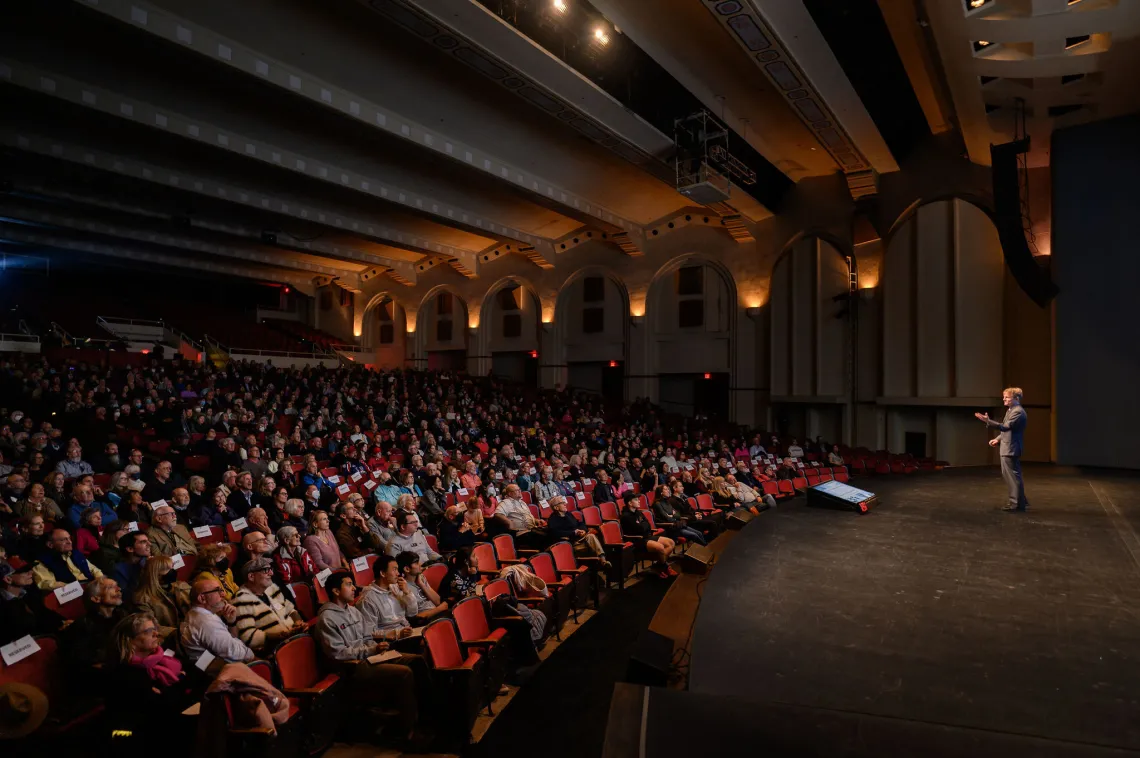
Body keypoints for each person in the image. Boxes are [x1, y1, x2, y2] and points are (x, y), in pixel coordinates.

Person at [312, 571, 425, 747]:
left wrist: (378, 646)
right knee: (404, 674)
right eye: (348, 584)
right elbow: (338, 653)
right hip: (352, 667)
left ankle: (427, 719)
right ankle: (407, 733)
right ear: (335, 591)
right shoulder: (327, 618)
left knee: (417, 661)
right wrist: (371, 649)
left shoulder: (352, 610)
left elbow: (366, 636)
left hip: (370, 656)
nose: (353, 588)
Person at [106, 612, 197, 738]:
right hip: (144, 735)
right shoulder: (125, 673)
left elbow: (190, 674)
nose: (156, 634)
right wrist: (181, 679)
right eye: (148, 631)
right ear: (130, 641)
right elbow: (162, 707)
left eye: (155, 629)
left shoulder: (159, 657)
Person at [181, 576, 254, 670]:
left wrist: (231, 622)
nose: (223, 594)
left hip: (223, 666)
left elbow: (231, 640)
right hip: (221, 673)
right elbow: (237, 654)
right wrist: (255, 657)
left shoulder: (198, 613)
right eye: (218, 591)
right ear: (202, 598)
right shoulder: (206, 622)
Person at [976, 387, 1029, 512]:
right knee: (1012, 476)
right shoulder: (1011, 410)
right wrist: (998, 439)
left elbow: (1005, 427)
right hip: (1008, 446)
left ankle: (1016, 504)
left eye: (1007, 397)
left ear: (1016, 398)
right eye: (1004, 397)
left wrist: (988, 421)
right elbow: (1007, 430)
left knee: (1013, 477)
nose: (1004, 399)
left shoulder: (1018, 412)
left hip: (1011, 448)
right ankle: (1021, 501)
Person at [232, 557, 302, 653]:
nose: (271, 573)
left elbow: (290, 610)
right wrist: (279, 635)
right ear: (251, 576)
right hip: (276, 649)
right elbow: (248, 636)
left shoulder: (271, 588)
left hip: (295, 638)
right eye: (265, 570)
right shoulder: (241, 599)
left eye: (270, 569)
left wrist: (298, 622)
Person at [62, 577, 126, 674]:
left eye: (117, 586)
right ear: (96, 598)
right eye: (110, 587)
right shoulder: (82, 626)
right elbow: (80, 662)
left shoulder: (123, 616)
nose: (118, 589)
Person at [356, 554, 418, 641]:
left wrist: (407, 592)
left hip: (407, 631)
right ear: (382, 573)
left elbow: (412, 613)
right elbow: (370, 632)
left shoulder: (396, 588)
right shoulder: (368, 599)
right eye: (394, 569)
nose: (398, 573)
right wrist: (397, 634)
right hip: (390, 640)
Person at [619, 492, 676, 579]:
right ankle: (664, 567)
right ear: (630, 503)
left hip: (646, 536)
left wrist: (641, 525)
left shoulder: (638, 512)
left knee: (671, 543)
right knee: (660, 547)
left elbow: (648, 525)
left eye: (638, 499)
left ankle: (658, 566)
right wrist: (642, 525)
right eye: (636, 500)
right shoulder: (625, 516)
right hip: (637, 540)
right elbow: (638, 530)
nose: (639, 501)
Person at [545, 495, 610, 566]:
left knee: (591, 536)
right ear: (556, 507)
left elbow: (579, 523)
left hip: (580, 539)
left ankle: (603, 560)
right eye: (562, 503)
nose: (565, 504)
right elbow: (556, 533)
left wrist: (583, 530)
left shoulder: (568, 514)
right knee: (592, 544)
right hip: (571, 544)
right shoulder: (553, 520)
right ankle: (599, 564)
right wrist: (574, 533)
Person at [33, 528, 104, 590]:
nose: (70, 542)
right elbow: (45, 583)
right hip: (69, 592)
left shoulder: (76, 553)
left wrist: (99, 579)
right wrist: (72, 588)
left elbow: (93, 569)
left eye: (69, 538)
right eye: (63, 540)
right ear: (50, 545)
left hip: (90, 585)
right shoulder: (42, 561)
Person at [133, 553, 186, 637]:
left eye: (172, 567)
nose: (173, 571)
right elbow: (152, 627)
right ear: (157, 575)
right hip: (170, 638)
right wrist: (180, 633)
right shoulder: (142, 599)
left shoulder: (179, 586)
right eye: (168, 569)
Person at [395, 551, 449, 624]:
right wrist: (439, 609)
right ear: (407, 569)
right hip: (427, 621)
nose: (420, 564)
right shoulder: (401, 587)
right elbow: (415, 618)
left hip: (437, 614)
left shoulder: (421, 578)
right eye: (416, 563)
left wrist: (422, 585)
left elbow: (438, 601)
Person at [493, 483, 549, 550]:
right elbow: (497, 514)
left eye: (519, 489)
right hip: (521, 533)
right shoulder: (505, 502)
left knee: (550, 532)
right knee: (543, 537)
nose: (520, 491)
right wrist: (509, 522)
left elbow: (528, 516)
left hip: (532, 529)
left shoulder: (523, 502)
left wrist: (537, 520)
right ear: (510, 494)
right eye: (516, 490)